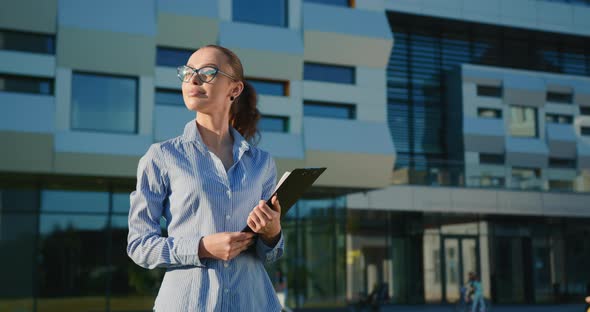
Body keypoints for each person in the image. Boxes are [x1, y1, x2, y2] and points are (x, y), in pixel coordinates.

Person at [127, 44, 284, 311]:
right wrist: (201, 247)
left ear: (235, 89)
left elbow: (271, 254)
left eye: (208, 72)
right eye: (187, 72)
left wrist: (272, 233)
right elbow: (139, 246)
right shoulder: (161, 157)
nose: (193, 79)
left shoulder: (261, 163)